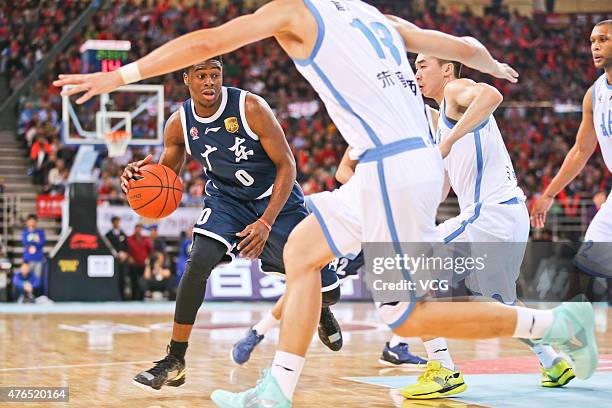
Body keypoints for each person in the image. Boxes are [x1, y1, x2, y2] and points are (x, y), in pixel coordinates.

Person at [54, 1, 597, 406]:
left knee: (406, 316)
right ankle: (277, 390)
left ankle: (555, 327)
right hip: (388, 168)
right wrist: (496, 65)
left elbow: (208, 41)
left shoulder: (298, 11)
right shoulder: (369, 14)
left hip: (391, 166)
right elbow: (459, 46)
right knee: (305, 251)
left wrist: (119, 77)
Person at [122, 57, 342, 391]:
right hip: (226, 201)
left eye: (215, 75)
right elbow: (165, 179)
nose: (209, 82)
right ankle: (175, 359)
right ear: (187, 79)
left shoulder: (250, 108)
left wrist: (266, 222)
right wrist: (138, 179)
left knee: (330, 289)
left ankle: (320, 307)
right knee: (197, 264)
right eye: (201, 75)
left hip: (275, 201)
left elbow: (288, 165)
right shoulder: (178, 124)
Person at [531, 20, 612, 285]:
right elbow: (580, 150)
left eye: (603, 39)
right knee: (587, 262)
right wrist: (549, 193)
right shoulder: (594, 94)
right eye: (592, 41)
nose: (595, 47)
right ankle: (575, 322)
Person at [105, 216, 130, 300]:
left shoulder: (123, 234)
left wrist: (125, 254)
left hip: (122, 261)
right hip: (112, 262)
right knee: (113, 278)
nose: (117, 223)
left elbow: (127, 247)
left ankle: (122, 296)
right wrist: (114, 255)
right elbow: (107, 247)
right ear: (112, 223)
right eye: (115, 222)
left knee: (122, 278)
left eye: (118, 222)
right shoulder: (108, 235)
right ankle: (113, 296)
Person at [127, 223, 153, 300]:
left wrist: (148, 259)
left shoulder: (145, 239)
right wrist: (129, 257)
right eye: (136, 229)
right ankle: (134, 297)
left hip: (143, 264)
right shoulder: (129, 239)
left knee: (142, 282)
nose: (138, 230)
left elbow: (150, 251)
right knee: (134, 281)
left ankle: (142, 297)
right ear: (134, 229)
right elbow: (127, 250)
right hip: (133, 265)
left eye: (139, 229)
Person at [21, 214, 46, 291]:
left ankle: (35, 293)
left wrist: (35, 242)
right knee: (26, 276)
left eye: (33, 221)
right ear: (27, 222)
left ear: (36, 222)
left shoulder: (40, 232)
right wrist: (34, 242)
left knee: (37, 277)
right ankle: (26, 294)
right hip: (28, 258)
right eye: (30, 221)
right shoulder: (25, 232)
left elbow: (42, 242)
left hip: (38, 258)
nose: (32, 222)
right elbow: (25, 242)